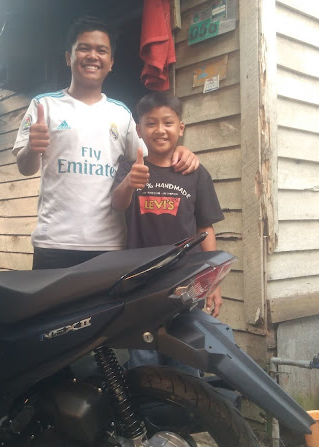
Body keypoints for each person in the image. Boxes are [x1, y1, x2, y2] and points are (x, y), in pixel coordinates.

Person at [12, 16, 199, 270]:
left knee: (107, 300)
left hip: (109, 245)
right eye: (84, 48)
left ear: (111, 63)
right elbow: (25, 168)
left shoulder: (120, 113)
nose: (93, 56)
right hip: (54, 242)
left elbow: (151, 157)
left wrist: (180, 151)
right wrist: (32, 149)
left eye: (101, 51)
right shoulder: (44, 105)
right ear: (68, 57)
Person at [112, 91, 225, 372]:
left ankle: (186, 400)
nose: (160, 130)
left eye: (168, 122)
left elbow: (205, 227)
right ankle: (148, 401)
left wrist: (214, 282)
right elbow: (117, 204)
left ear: (180, 128)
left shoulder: (196, 173)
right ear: (139, 130)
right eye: (151, 123)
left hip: (186, 283)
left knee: (186, 358)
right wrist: (129, 182)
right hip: (140, 284)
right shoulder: (129, 168)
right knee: (144, 361)